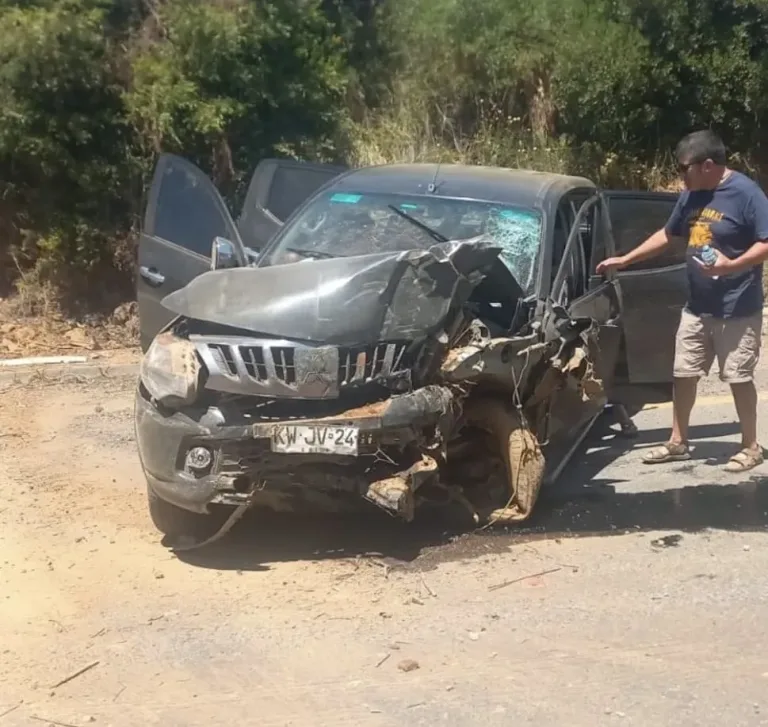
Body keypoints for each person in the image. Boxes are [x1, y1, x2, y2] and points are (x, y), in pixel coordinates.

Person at [597, 130, 768, 472]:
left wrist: (731, 265)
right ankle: (679, 442)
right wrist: (626, 259)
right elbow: (667, 234)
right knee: (683, 373)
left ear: (708, 165)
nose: (679, 175)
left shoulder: (747, 194)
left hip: (736, 307)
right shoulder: (691, 194)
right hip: (697, 305)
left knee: (737, 376)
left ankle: (751, 446)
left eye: (682, 169)